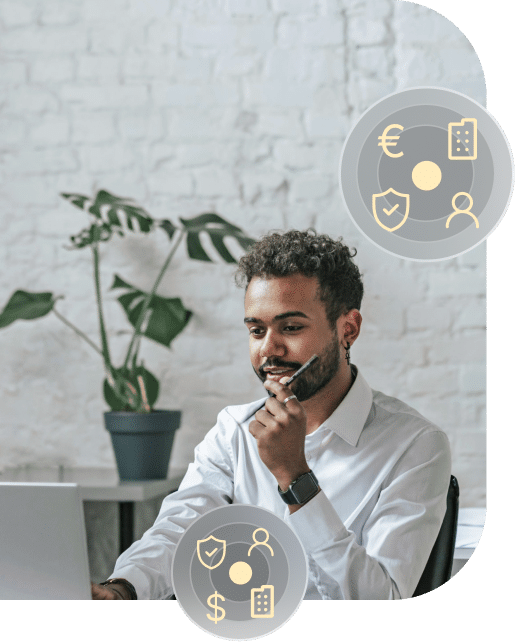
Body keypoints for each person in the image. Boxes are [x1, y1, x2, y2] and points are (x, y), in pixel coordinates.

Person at [92, 230, 451, 601]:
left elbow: (383, 603)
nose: (269, 349)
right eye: (256, 330)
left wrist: (296, 479)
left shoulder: (416, 445)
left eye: (291, 328)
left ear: (348, 329)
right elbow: (178, 532)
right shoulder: (233, 430)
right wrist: (122, 589)